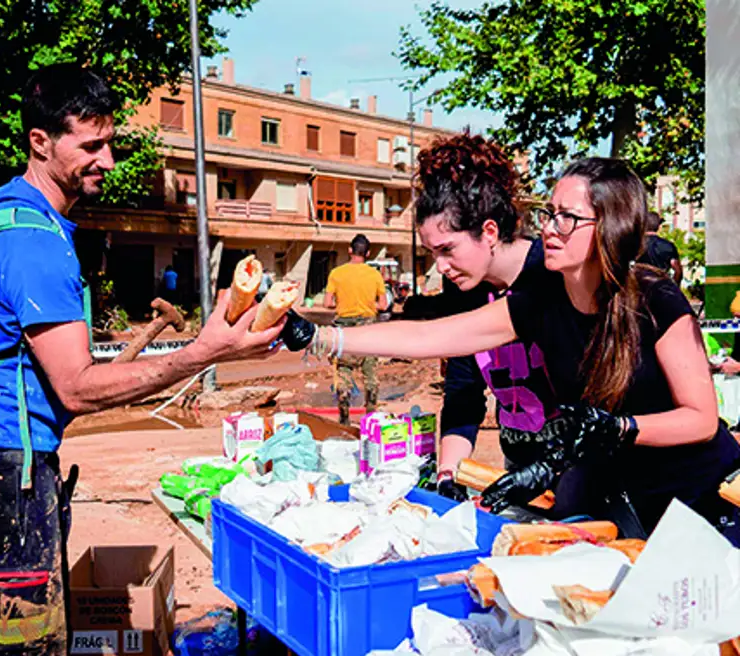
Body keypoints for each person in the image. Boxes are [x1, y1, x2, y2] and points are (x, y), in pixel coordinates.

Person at [0, 64, 284, 656]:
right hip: (11, 482)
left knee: (20, 652)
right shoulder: (34, 242)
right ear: (41, 142)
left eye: (111, 144)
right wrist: (201, 352)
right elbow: (76, 384)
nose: (106, 161)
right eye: (91, 145)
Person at [311, 157, 740, 537]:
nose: (549, 230)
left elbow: (701, 419)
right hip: (633, 505)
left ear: (610, 226)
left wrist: (620, 428)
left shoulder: (655, 299)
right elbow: (430, 336)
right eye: (550, 214)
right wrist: (324, 338)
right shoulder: (541, 303)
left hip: (706, 501)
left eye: (566, 218)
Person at [398, 132, 558, 502]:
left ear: (489, 231)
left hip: (582, 472)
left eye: (448, 250)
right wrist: (448, 474)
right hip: (517, 465)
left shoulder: (551, 276)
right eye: (431, 253)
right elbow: (463, 393)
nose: (441, 266)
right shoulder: (464, 290)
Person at [323, 233, 388, 424]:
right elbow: (383, 305)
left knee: (343, 372)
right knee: (370, 374)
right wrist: (367, 306)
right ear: (368, 253)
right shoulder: (375, 274)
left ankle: (344, 419)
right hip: (367, 328)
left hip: (344, 329)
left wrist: (343, 304)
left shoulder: (336, 273)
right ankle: (370, 417)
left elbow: (327, 303)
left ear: (350, 250)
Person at [638, 211, 682, 286]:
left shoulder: (636, 245)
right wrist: (673, 286)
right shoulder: (668, 245)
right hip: (661, 286)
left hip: (641, 287)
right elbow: (678, 271)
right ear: (658, 226)